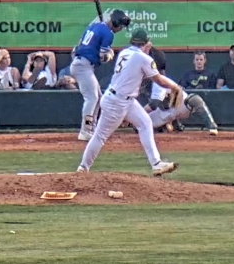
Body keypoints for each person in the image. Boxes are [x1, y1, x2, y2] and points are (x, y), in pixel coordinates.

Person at [76, 29, 181, 177]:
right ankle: (83, 168)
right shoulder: (143, 58)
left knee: (145, 123)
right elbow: (159, 80)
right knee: (100, 136)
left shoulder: (125, 52)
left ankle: (156, 164)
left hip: (124, 99)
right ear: (147, 44)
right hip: (117, 102)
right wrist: (175, 87)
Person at [70, 10, 132, 141]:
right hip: (83, 65)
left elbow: (79, 45)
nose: (120, 29)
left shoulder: (94, 26)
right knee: (92, 98)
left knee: (98, 98)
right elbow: (102, 56)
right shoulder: (108, 34)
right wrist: (109, 54)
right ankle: (85, 131)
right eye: (120, 26)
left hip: (81, 63)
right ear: (116, 23)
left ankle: (91, 129)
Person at [145, 47, 218, 136]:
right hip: (162, 113)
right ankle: (168, 125)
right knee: (140, 126)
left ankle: (212, 126)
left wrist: (139, 113)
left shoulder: (160, 80)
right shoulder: (145, 80)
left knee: (194, 99)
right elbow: (154, 105)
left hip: (178, 106)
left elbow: (154, 104)